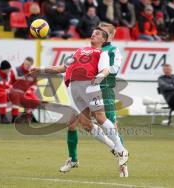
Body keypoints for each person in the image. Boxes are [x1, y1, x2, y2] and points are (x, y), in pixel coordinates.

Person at [37, 26, 129, 176]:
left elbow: (110, 69)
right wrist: (41, 69)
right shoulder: (80, 50)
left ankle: (122, 158)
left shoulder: (108, 52)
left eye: (99, 33)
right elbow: (63, 67)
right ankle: (74, 159)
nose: (94, 34)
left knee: (104, 120)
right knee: (76, 123)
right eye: (94, 32)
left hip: (100, 88)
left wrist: (98, 77)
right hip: (77, 88)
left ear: (106, 38)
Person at [9, 57, 39, 123]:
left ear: (31, 65)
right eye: (25, 64)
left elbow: (34, 84)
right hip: (13, 92)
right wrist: (12, 90)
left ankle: (28, 117)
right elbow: (9, 82)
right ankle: (14, 118)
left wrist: (30, 90)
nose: (26, 66)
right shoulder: (15, 70)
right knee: (16, 95)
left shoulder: (33, 73)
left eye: (28, 65)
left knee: (35, 101)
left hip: (25, 93)